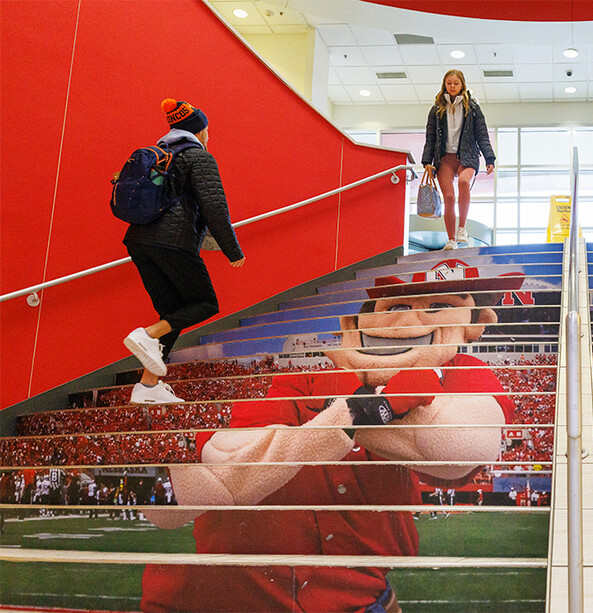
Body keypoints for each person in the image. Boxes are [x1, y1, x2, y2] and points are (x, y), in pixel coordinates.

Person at [139, 259, 521, 612]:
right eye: (399, 308)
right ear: (353, 326)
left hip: (356, 597)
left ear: (474, 323)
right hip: (235, 596)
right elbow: (223, 469)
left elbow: (462, 447)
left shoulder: (458, 373)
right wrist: (356, 413)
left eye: (437, 308)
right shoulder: (302, 378)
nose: (412, 321)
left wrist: (343, 416)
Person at [122, 98, 245, 405]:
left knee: (173, 314)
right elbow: (215, 208)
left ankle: (147, 387)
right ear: (198, 130)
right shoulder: (199, 158)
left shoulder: (163, 154)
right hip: (173, 243)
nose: (208, 134)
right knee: (205, 302)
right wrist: (233, 251)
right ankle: (147, 335)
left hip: (139, 241)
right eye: (207, 129)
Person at [421, 69, 496, 251]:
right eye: (449, 83)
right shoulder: (437, 109)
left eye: (456, 83)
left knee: (463, 182)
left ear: (462, 84)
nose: (452, 86)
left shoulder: (473, 108)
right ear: (444, 85)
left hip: (467, 155)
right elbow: (430, 137)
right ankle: (451, 239)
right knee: (448, 197)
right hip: (444, 158)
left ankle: (462, 228)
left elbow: (482, 135)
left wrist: (489, 158)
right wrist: (427, 162)